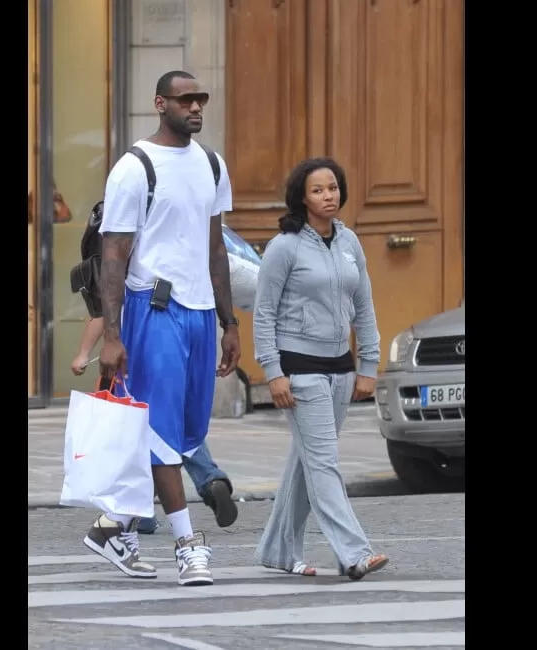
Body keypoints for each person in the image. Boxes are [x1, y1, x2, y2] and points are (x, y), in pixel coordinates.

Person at [84, 70, 240, 587]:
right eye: (185, 99)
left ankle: (112, 526)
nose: (195, 107)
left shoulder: (212, 163)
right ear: (160, 104)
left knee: (188, 432)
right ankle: (187, 545)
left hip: (198, 315)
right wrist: (112, 335)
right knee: (161, 435)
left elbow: (216, 249)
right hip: (153, 309)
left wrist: (229, 322)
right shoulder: (134, 168)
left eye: (201, 99)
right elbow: (113, 255)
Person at [252, 157, 389, 580]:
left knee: (306, 461)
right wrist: (273, 373)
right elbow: (263, 314)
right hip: (300, 371)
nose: (328, 196)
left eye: (332, 188)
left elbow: (363, 307)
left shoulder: (350, 243)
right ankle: (353, 552)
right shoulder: (284, 247)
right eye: (318, 190)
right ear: (302, 197)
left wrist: (368, 363)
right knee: (324, 461)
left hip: (341, 370)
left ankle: (276, 550)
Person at [71, 317, 238, 532]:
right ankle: (209, 478)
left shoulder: (120, 285)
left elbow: (101, 315)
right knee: (172, 428)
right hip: (171, 352)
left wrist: (83, 353)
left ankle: (144, 515)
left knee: (144, 438)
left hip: (132, 364)